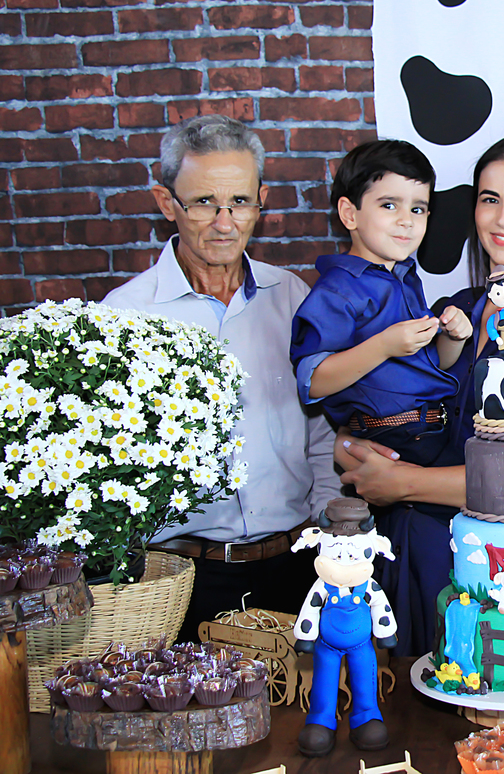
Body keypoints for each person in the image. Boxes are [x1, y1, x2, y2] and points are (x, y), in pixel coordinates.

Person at [334, 135, 504, 657]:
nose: (503, 217)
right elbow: (389, 404)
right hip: (408, 554)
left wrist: (405, 483)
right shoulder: (452, 312)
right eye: (490, 199)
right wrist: (352, 443)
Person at [102, 115, 342, 640]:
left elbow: (323, 429)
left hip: (296, 566)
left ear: (261, 201)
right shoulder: (123, 316)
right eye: (204, 202)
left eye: (240, 202)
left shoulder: (295, 298)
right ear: (167, 203)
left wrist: (326, 526)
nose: (224, 222)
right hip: (182, 579)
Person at [289, 140, 472, 469]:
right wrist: (384, 346)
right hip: (390, 437)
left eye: (417, 209)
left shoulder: (406, 278)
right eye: (389, 205)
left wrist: (452, 337)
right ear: (350, 214)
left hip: (432, 428)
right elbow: (312, 382)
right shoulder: (338, 290)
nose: (407, 221)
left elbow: (433, 364)